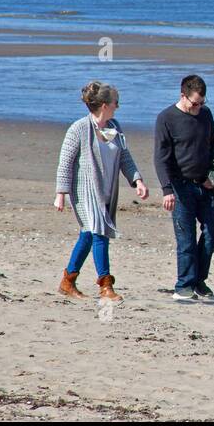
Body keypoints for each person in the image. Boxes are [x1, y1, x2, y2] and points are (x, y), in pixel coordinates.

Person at [54, 81, 148, 303]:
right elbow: (65, 163)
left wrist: (137, 181)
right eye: (116, 102)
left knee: (87, 235)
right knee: (100, 233)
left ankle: (68, 281)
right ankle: (106, 285)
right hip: (85, 191)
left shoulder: (114, 126)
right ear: (105, 105)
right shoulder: (78, 128)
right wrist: (61, 193)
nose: (118, 106)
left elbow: (125, 157)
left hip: (106, 192)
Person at [154, 74, 214, 302]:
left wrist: (212, 176)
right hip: (179, 187)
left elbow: (212, 146)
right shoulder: (166, 118)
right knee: (185, 240)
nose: (198, 108)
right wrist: (167, 190)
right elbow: (161, 158)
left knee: (213, 232)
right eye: (195, 104)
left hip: (205, 185)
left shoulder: (206, 115)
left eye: (202, 103)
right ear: (182, 95)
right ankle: (183, 286)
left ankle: (198, 282)